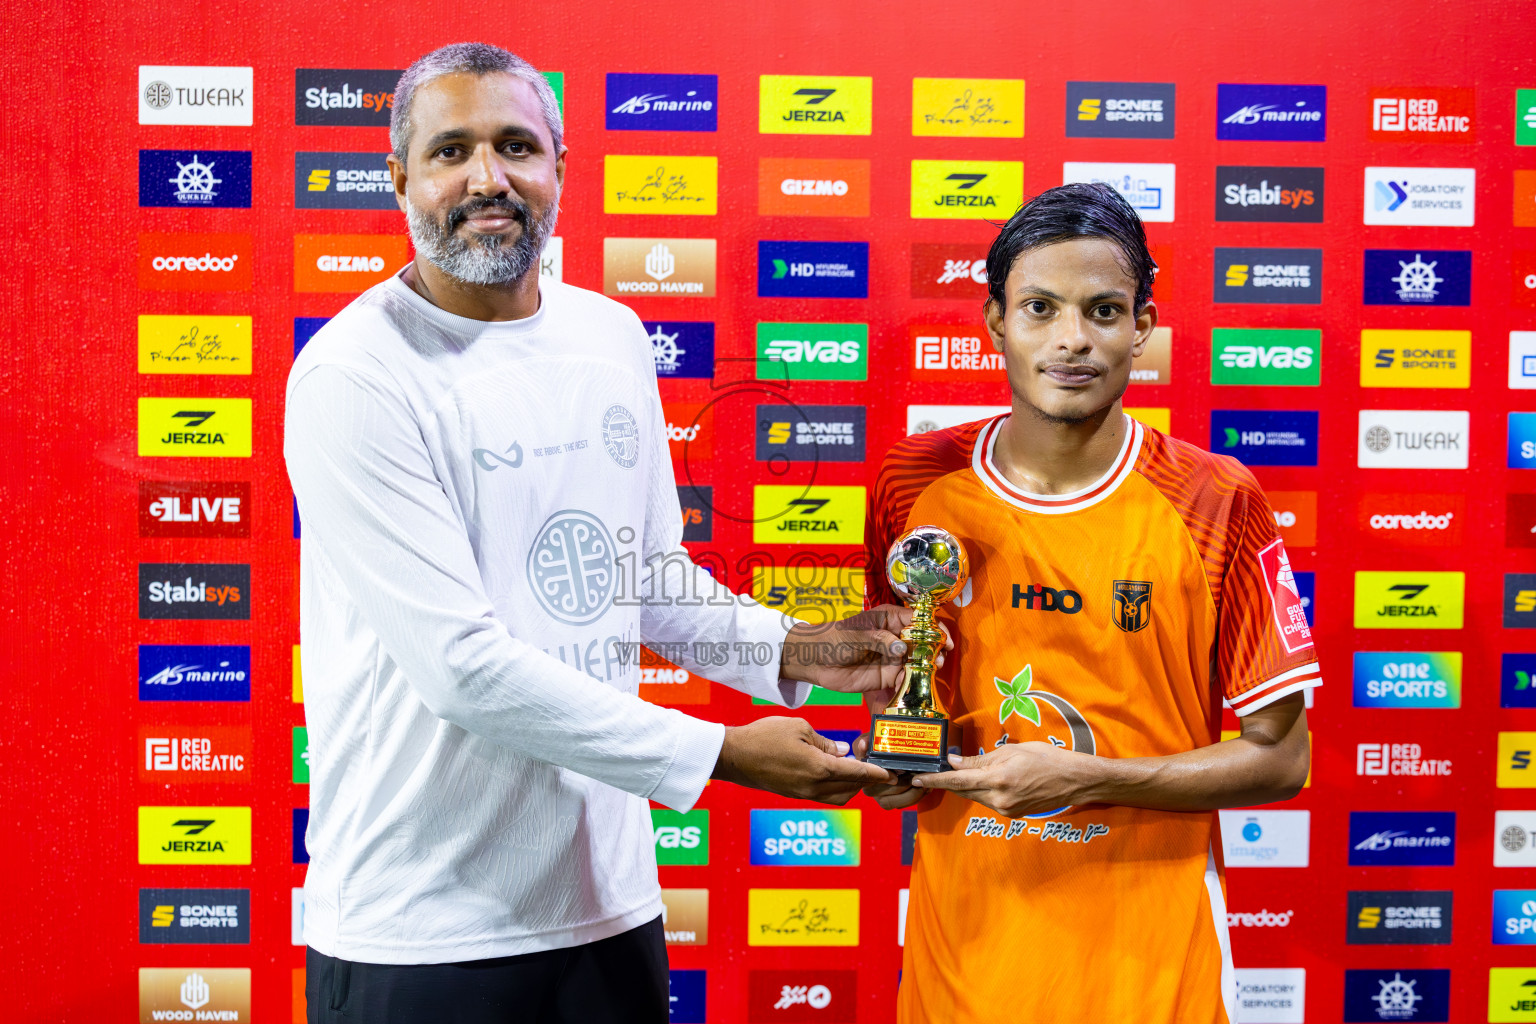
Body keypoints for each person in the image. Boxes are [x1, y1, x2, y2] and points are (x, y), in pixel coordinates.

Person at [284, 42, 901, 1024]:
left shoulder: (609, 336)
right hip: (420, 929)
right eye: (451, 151)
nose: (487, 179)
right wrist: (719, 754)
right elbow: (461, 668)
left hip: (607, 907)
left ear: (560, 168)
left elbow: (644, 577)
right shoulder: (354, 375)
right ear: (399, 179)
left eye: (515, 146)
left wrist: (800, 651)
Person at [859, 183, 1318, 1024]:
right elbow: (901, 695)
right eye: (1041, 308)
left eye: (1103, 311)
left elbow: (1281, 759)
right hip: (964, 964)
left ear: (1142, 325)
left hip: (1152, 972)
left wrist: (1093, 780)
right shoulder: (913, 482)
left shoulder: (1214, 499)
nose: (1072, 338)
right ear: (996, 320)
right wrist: (900, 770)